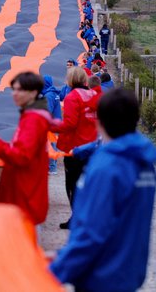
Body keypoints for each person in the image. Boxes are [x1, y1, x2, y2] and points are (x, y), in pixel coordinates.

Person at [50, 89, 156, 292]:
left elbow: (91, 233)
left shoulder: (106, 167)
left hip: (100, 276)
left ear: (99, 121)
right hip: (129, 272)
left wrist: (54, 271)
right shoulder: (144, 162)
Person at [0, 72, 58, 227]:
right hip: (26, 196)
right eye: (13, 89)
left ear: (34, 93)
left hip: (25, 199)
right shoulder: (33, 115)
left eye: (19, 90)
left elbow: (21, 156)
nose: (14, 94)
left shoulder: (33, 119)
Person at [52, 67, 98, 229]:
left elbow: (70, 123)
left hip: (74, 148)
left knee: (72, 184)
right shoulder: (94, 95)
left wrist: (52, 125)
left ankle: (77, 219)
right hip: (92, 147)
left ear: (70, 80)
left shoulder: (72, 97)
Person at [42, 75, 62, 175]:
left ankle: (52, 167)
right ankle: (52, 166)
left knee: (50, 144)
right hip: (56, 123)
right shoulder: (54, 93)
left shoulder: (48, 96)